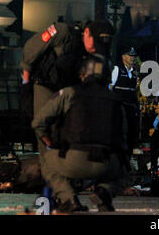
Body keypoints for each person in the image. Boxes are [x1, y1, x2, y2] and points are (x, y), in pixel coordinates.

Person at [32, 55, 128, 213]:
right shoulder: (116, 101)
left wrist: (48, 142)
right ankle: (104, 192)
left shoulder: (69, 93)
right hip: (105, 163)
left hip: (73, 160)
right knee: (128, 172)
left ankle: (69, 198)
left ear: (83, 74)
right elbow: (123, 138)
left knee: (46, 162)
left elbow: (38, 122)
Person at [21, 20, 114, 181]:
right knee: (44, 127)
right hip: (46, 85)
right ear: (86, 33)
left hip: (71, 91)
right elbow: (32, 47)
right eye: (95, 42)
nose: (96, 47)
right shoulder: (63, 32)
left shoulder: (99, 52)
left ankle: (68, 175)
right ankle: (50, 178)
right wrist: (26, 77)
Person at [111, 47, 139, 156]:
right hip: (120, 108)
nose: (132, 57)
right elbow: (110, 87)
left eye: (133, 56)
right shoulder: (117, 69)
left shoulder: (134, 73)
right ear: (123, 56)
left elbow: (133, 92)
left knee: (131, 134)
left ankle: (128, 158)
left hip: (131, 109)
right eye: (130, 55)